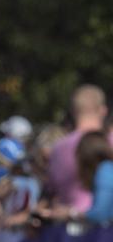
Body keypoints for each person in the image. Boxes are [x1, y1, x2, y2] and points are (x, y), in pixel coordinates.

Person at [46, 84, 108, 214]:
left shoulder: (58, 149)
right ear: (103, 110)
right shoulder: (109, 141)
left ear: (73, 111)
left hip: (67, 226)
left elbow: (52, 192)